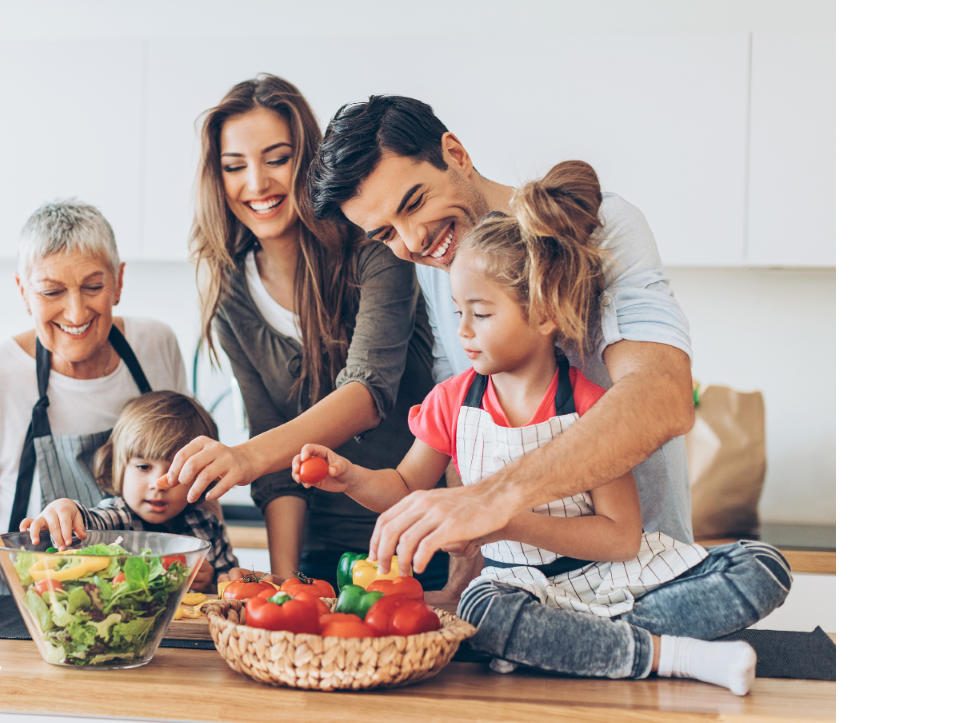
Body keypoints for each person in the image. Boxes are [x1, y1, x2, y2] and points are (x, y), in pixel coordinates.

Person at [293, 166, 790, 694]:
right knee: (485, 610)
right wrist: (350, 478)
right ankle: (667, 655)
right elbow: (403, 487)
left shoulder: (594, 410)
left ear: (545, 313)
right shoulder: (451, 402)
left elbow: (621, 538)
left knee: (763, 566)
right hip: (520, 590)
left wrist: (505, 520)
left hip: (613, 580)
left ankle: (565, 646)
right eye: (458, 311)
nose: (461, 330)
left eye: (480, 313)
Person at [309, 96, 699, 582]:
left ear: (455, 153)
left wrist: (495, 500)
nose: (413, 243)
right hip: (520, 583)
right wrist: (464, 571)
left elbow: (663, 397)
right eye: (385, 233)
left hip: (645, 573)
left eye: (414, 203)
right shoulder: (440, 264)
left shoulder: (603, 225)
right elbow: (462, 433)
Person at [165, 74, 452, 589]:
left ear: (309, 161)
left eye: (276, 158)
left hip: (418, 540)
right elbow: (273, 454)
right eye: (235, 166)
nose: (256, 184)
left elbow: (367, 392)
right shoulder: (231, 292)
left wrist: (243, 458)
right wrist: (284, 583)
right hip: (320, 553)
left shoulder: (377, 250)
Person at [0, 199, 190, 596]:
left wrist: (210, 559)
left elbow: (192, 473)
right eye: (52, 291)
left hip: (140, 599)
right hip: (22, 608)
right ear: (23, 292)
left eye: (93, 287)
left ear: (119, 282)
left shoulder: (156, 346)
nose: (75, 312)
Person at [19, 391, 239, 592]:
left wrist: (211, 585)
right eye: (143, 467)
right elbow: (89, 522)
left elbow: (232, 589)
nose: (159, 484)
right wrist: (65, 508)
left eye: (177, 472)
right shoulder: (117, 516)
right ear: (118, 468)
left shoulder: (208, 525)